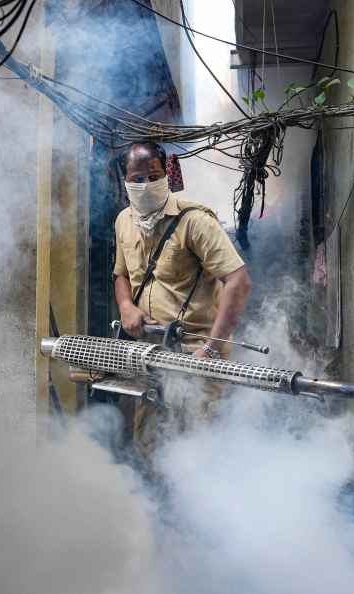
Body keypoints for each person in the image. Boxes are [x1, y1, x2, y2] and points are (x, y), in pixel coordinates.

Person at [113, 142, 251, 456]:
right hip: (148, 352)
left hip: (195, 354)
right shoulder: (123, 221)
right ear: (125, 181)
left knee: (196, 447)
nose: (145, 185)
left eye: (153, 176)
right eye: (137, 177)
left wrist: (211, 348)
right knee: (150, 442)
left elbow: (238, 282)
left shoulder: (195, 221)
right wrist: (125, 306)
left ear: (167, 175)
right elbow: (120, 274)